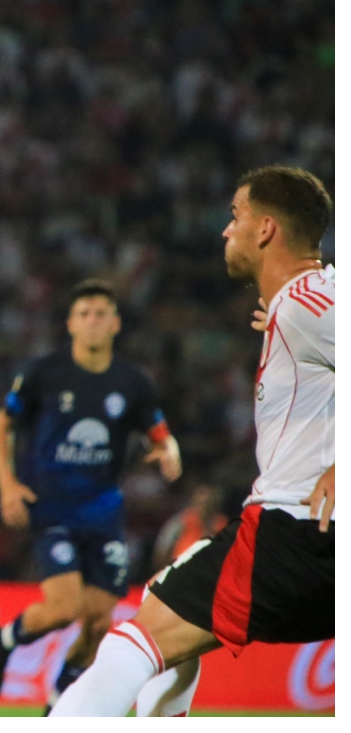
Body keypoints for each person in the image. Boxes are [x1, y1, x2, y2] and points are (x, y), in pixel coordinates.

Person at [51, 166, 334, 717]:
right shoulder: (304, 305)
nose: (226, 230)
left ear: (267, 229)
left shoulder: (307, 303)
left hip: (296, 533)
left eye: (236, 216)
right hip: (315, 541)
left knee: (134, 643)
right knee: (167, 603)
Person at [0, 279, 182, 712]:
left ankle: (55, 708)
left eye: (101, 314)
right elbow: (1, 425)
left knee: (96, 625)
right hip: (52, 506)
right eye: (85, 313)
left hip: (104, 511)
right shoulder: (45, 373)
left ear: (116, 324)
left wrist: (169, 451)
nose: (93, 321)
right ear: (71, 323)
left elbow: (158, 432)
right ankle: (5, 638)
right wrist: (8, 484)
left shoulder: (132, 383)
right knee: (64, 607)